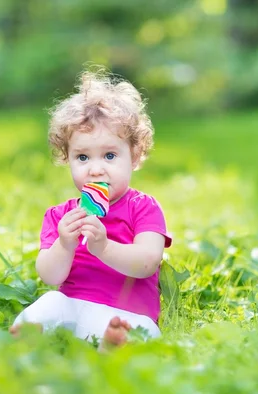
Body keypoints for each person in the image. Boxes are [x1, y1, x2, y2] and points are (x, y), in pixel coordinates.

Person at [10, 68, 172, 350]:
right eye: (83, 157)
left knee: (145, 332)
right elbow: (49, 276)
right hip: (72, 308)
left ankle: (113, 343)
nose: (96, 169)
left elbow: (147, 263)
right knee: (50, 302)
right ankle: (26, 336)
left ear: (133, 157)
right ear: (67, 159)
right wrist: (64, 244)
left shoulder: (143, 207)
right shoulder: (60, 216)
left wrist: (103, 247)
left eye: (110, 155)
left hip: (126, 314)